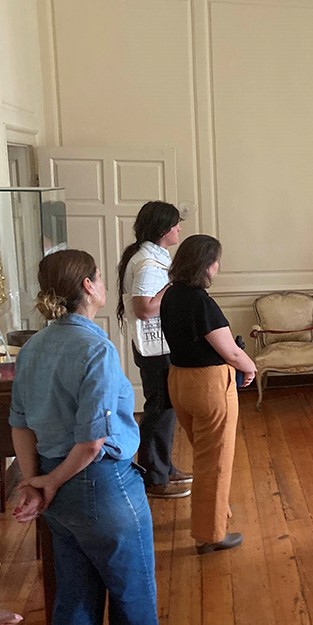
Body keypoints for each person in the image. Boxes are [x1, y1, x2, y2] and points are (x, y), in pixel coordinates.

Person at [9, 250, 191, 625]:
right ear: (88, 286)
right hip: (102, 484)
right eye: (100, 277)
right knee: (132, 581)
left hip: (58, 488)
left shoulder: (32, 348)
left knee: (73, 593)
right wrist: (50, 482)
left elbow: (20, 423)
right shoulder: (95, 348)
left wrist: (37, 480)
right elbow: (93, 441)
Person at [160, 235, 256, 554]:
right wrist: (250, 367)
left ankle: (215, 510)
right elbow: (230, 351)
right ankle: (209, 534)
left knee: (205, 455)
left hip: (179, 380)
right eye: (215, 261)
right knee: (214, 461)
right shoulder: (201, 302)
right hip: (209, 385)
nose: (217, 266)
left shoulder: (170, 295)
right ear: (205, 264)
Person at [116, 201, 190, 499]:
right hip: (156, 348)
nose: (179, 229)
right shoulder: (147, 263)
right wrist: (173, 288)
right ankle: (154, 477)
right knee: (160, 409)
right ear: (162, 229)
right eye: (175, 224)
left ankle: (164, 467)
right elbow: (145, 309)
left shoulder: (149, 256)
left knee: (165, 407)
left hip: (158, 345)